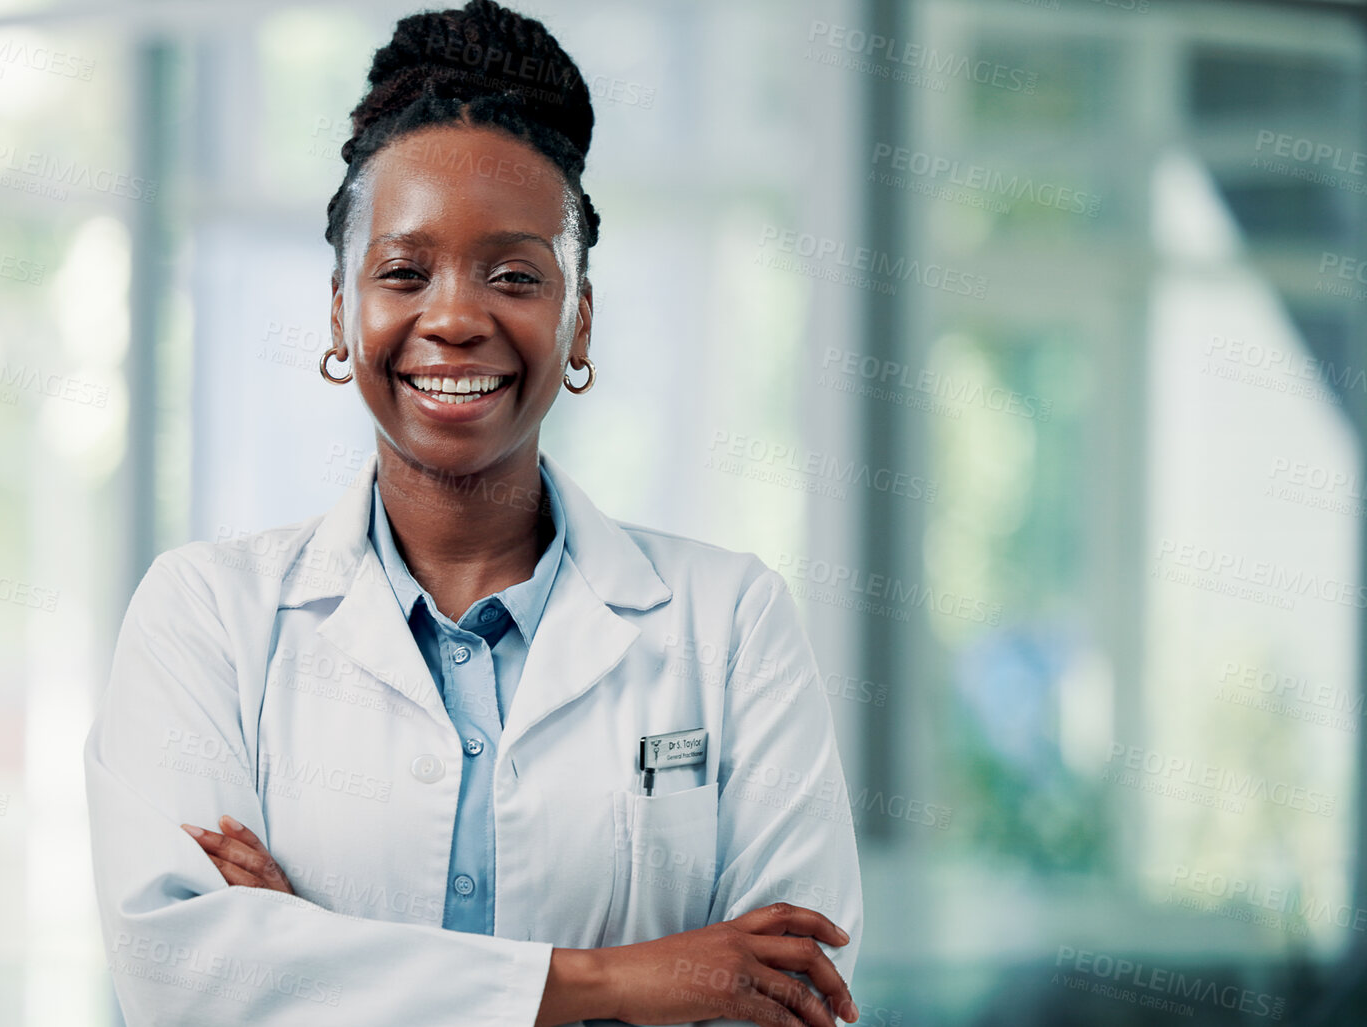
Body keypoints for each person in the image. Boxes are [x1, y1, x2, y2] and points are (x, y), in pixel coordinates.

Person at [82, 2, 863, 1024]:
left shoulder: (729, 624)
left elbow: (799, 993)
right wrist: (624, 978)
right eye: (403, 271)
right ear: (339, 314)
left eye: (513, 275)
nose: (453, 317)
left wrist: (312, 960)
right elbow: (183, 978)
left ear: (577, 321)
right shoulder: (207, 618)